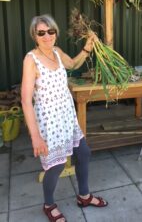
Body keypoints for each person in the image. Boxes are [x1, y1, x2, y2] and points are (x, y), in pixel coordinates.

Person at [21, 15, 108, 222]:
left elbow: (74, 63)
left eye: (50, 31)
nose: (47, 36)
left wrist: (88, 47)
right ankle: (49, 204)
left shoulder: (58, 53)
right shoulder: (31, 59)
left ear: (55, 33)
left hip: (67, 117)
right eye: (41, 32)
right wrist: (35, 137)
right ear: (34, 35)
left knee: (84, 153)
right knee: (56, 165)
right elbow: (25, 101)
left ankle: (84, 196)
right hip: (49, 122)